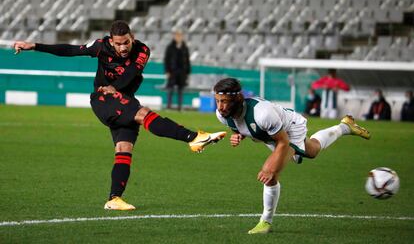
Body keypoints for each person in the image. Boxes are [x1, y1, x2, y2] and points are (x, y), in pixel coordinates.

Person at [13, 20, 226, 211]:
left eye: (126, 42)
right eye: (118, 44)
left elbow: (131, 73)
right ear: (111, 41)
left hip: (122, 99)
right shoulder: (100, 46)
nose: (123, 47)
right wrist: (35, 46)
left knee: (124, 149)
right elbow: (70, 50)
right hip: (103, 100)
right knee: (143, 114)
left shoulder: (142, 50)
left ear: (132, 38)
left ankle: (114, 198)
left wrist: (115, 87)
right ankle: (192, 138)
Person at [213, 78, 370, 234]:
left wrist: (271, 168)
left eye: (225, 101)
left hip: (290, 128)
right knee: (313, 151)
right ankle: (345, 127)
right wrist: (239, 135)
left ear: (238, 98)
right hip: (270, 135)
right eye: (218, 101)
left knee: (270, 173)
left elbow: (283, 142)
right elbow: (241, 126)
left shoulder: (262, 114)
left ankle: (265, 223)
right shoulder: (222, 115)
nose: (220, 107)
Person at [164, 30, 191, 111]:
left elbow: (187, 60)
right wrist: (167, 71)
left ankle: (180, 107)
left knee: (180, 90)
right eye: (177, 35)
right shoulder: (170, 47)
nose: (179, 37)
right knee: (170, 89)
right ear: (175, 37)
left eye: (180, 36)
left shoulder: (184, 47)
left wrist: (188, 72)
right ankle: (169, 106)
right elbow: (166, 59)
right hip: (172, 71)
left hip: (182, 72)